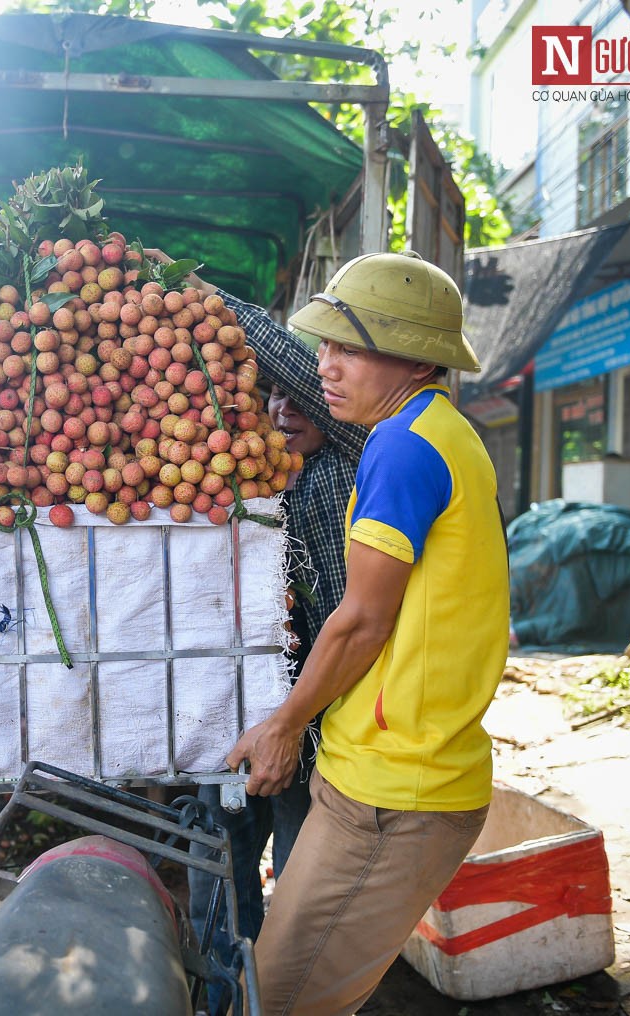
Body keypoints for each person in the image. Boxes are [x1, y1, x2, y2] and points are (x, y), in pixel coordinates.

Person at [215, 250, 509, 1015]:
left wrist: (285, 725)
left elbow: (363, 620)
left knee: (277, 1000)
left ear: (414, 355)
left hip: (395, 791)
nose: (326, 368)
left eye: (348, 348)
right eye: (325, 347)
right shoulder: (434, 431)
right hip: (374, 774)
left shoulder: (403, 448)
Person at [185, 385, 364, 998]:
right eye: (274, 397)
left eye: (302, 400)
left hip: (306, 726)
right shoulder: (239, 474)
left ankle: (276, 998)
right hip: (228, 714)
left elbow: (348, 624)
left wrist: (291, 724)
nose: (284, 411)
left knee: (298, 888)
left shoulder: (339, 478)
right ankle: (227, 1000)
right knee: (221, 865)